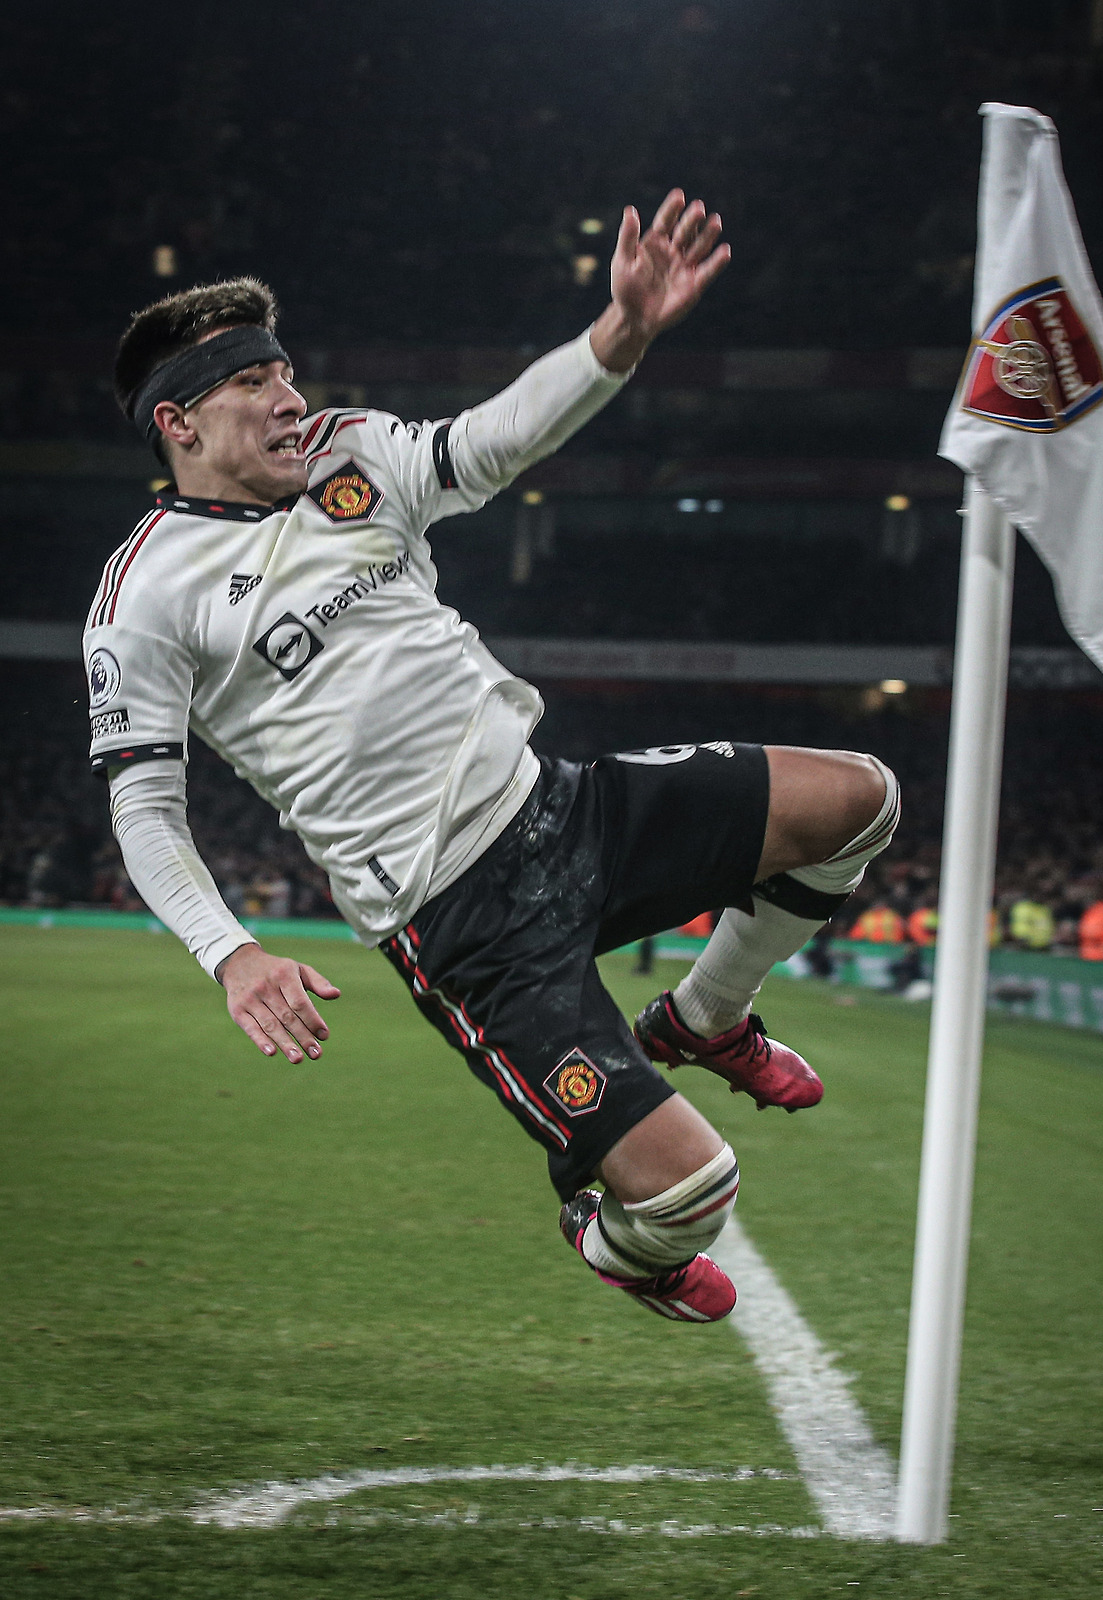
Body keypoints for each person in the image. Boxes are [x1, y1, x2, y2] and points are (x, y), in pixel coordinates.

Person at [84, 193, 900, 1327]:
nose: (289, 398)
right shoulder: (142, 596)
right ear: (178, 422)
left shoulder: (350, 454)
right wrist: (232, 954)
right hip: (462, 916)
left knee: (859, 798)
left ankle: (707, 1017)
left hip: (560, 807)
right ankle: (614, 1240)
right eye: (252, 384)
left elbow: (493, 438)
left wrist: (620, 333)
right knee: (693, 1195)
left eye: (285, 372)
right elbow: (143, 808)